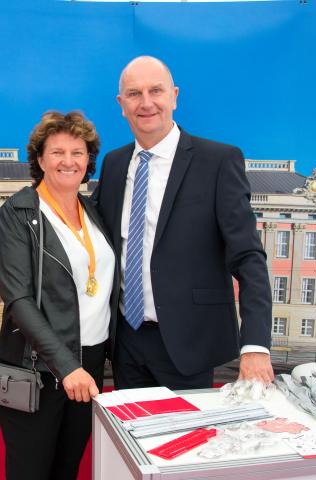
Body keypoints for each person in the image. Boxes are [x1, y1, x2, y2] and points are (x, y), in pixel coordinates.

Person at [92, 56, 273, 391]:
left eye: (155, 91)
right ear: (121, 104)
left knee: (186, 443)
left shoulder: (218, 161)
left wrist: (256, 344)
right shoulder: (114, 164)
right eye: (134, 94)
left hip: (188, 344)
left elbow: (248, 257)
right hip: (125, 344)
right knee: (130, 440)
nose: (146, 103)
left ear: (174, 95)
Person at [0, 111, 118, 480]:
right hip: (40, 366)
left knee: (67, 469)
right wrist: (67, 367)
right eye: (58, 152)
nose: (68, 161)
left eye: (77, 152)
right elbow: (18, 301)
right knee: (31, 472)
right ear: (41, 159)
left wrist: (87, 366)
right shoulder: (18, 213)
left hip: (90, 362)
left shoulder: (92, 210)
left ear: (88, 160)